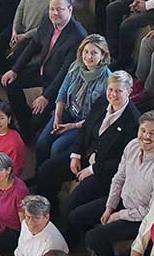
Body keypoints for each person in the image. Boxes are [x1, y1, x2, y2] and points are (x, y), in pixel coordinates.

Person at [77, 111, 154, 256]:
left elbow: (152, 211)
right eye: (142, 130)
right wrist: (110, 207)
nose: (145, 136)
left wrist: (118, 215)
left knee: (94, 237)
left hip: (142, 217)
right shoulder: (132, 145)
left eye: (152, 133)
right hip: (123, 201)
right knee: (77, 216)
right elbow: (119, 178)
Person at [35, 71, 140, 210]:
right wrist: (76, 155)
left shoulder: (133, 121)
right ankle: (49, 208)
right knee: (46, 170)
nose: (113, 95)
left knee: (72, 205)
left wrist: (92, 169)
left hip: (102, 170)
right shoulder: (102, 101)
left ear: (129, 91)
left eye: (119, 91)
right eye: (110, 89)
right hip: (85, 154)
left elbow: (121, 160)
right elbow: (86, 129)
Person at [1, 0, 86, 134]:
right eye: (52, 9)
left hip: (58, 82)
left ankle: (28, 131)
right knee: (10, 83)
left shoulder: (78, 37)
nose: (55, 13)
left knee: (36, 121)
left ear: (70, 10)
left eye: (60, 9)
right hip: (42, 68)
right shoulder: (48, 19)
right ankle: (24, 122)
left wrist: (46, 96)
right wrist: (15, 70)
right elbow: (34, 44)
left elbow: (65, 72)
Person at [35, 34, 111, 166]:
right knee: (42, 142)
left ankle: (50, 180)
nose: (88, 57)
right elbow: (63, 91)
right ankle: (38, 173)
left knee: (57, 147)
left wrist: (72, 126)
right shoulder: (76, 66)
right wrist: (58, 115)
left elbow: (97, 118)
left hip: (84, 122)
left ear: (103, 55)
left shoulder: (107, 81)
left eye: (94, 53)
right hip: (68, 110)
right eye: (86, 52)